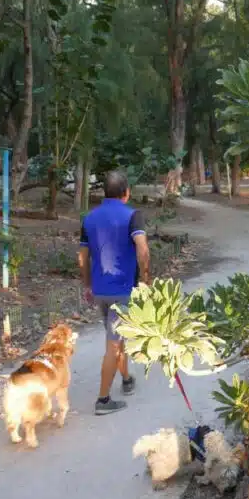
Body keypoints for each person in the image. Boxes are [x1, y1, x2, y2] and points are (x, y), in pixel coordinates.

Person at [79, 171, 151, 416]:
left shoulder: (89, 218)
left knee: (117, 339)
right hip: (123, 292)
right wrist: (146, 280)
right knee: (113, 345)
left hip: (100, 291)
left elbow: (82, 257)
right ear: (126, 192)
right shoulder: (133, 215)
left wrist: (87, 285)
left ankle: (127, 379)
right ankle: (103, 400)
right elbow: (142, 249)